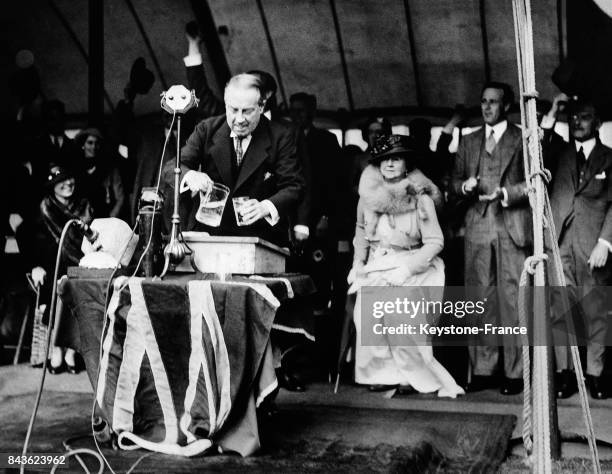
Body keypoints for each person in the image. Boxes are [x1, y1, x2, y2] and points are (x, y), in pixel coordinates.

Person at [346, 134, 463, 397]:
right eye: (383, 159)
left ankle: (411, 375)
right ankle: (382, 374)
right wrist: (357, 263)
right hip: (377, 263)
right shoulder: (367, 197)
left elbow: (435, 242)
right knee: (366, 314)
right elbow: (361, 231)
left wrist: (408, 269)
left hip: (412, 263)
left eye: (395, 158)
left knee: (401, 314)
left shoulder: (420, 198)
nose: (389, 164)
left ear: (406, 164)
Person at [450, 82, 531, 395]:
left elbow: (538, 181)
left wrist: (508, 193)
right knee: (480, 298)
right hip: (478, 225)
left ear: (507, 106)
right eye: (483, 101)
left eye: (493, 102)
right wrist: (463, 187)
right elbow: (452, 181)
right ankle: (484, 371)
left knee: (512, 300)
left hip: (512, 225)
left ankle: (515, 374)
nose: (486, 107)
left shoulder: (523, 138)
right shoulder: (468, 141)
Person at [178, 73, 304, 247]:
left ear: (261, 106)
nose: (239, 119)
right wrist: (191, 175)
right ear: (225, 103)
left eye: (247, 111)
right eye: (233, 109)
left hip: (261, 240)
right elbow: (174, 166)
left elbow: (294, 186)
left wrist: (265, 207)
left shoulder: (281, 136)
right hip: (210, 237)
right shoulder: (206, 129)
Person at [547, 98, 612, 399]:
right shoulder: (559, 155)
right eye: (574, 118)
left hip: (594, 244)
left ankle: (595, 374)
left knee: (596, 309)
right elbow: (538, 140)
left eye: (585, 117)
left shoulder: (609, 158)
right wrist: (552, 112)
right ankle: (566, 373)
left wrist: (606, 242)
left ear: (598, 124)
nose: (578, 122)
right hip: (561, 243)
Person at [26, 166, 94, 373]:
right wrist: (35, 265)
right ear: (53, 186)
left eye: (70, 179)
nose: (68, 184)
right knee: (56, 291)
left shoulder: (84, 206)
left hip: (79, 263)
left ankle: (71, 352)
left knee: (81, 291)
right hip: (51, 265)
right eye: (61, 181)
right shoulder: (45, 208)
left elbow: (94, 236)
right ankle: (56, 350)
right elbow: (30, 240)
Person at [73, 128, 125, 219]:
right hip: (81, 219)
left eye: (97, 143)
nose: (93, 147)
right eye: (90, 143)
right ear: (83, 145)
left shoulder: (109, 168)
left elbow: (120, 198)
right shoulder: (76, 168)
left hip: (104, 217)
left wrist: (111, 217)